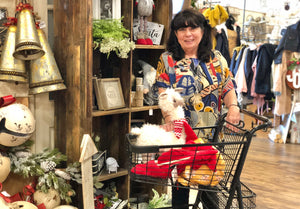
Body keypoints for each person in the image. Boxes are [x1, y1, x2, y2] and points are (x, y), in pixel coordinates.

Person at [154, 8, 241, 209]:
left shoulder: (217, 58)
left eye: (193, 28)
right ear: (175, 34)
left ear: (203, 31)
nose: (188, 34)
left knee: (210, 180)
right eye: (182, 29)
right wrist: (170, 120)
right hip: (180, 130)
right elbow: (164, 94)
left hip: (211, 130)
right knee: (181, 183)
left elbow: (227, 86)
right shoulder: (167, 60)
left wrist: (234, 107)